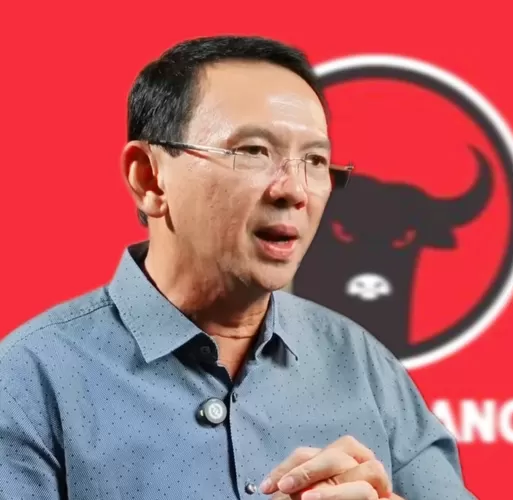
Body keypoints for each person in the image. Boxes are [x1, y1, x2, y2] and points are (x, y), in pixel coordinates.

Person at [0, 35, 476, 500]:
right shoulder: (29, 380)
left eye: (315, 160)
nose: (295, 191)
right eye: (252, 152)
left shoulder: (361, 364)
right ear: (150, 178)